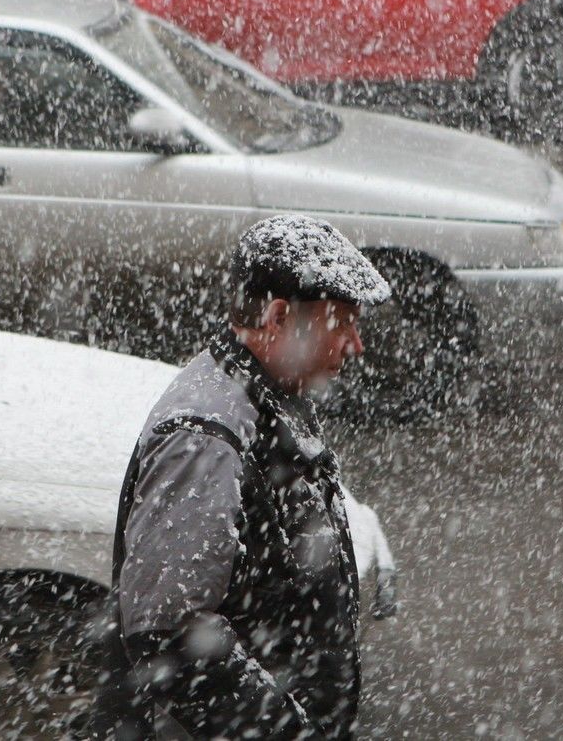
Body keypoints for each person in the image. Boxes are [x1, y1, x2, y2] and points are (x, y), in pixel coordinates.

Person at [107, 214, 391, 740]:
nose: (356, 344)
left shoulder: (266, 390)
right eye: (342, 322)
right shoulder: (208, 437)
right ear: (280, 316)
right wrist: (289, 728)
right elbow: (170, 632)